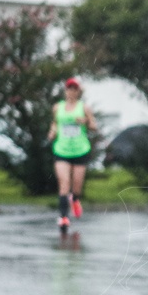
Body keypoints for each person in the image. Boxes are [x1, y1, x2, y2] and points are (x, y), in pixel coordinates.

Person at [47, 78, 98, 233]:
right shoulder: (57, 107)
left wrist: (85, 121)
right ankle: (63, 218)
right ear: (65, 90)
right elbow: (55, 123)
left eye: (75, 89)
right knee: (64, 184)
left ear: (78, 92)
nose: (72, 91)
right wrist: (52, 132)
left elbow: (94, 126)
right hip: (61, 150)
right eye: (69, 88)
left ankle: (75, 199)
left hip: (80, 150)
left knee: (76, 187)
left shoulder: (84, 108)